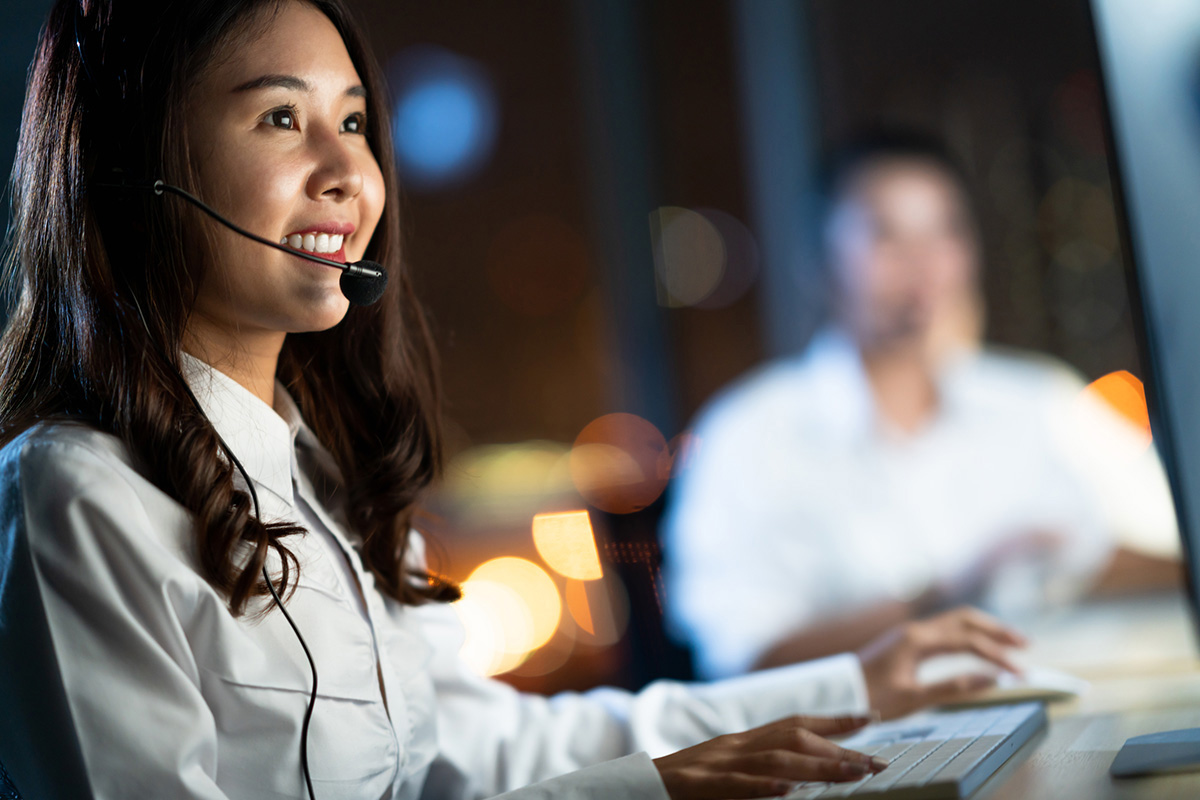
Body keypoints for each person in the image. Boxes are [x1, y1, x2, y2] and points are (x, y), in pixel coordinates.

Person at [0, 4, 1026, 799]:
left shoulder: (329, 475)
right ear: (137, 166)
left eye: (354, 120)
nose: (346, 171)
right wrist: (645, 789)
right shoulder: (75, 497)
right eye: (281, 118)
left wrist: (857, 686)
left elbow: (482, 747)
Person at [663, 132, 1182, 681]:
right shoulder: (750, 434)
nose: (925, 266)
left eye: (946, 232)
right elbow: (743, 661)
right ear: (819, 263)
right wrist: (947, 596)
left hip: (1071, 702)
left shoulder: (1037, 399)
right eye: (887, 237)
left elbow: (1162, 550)